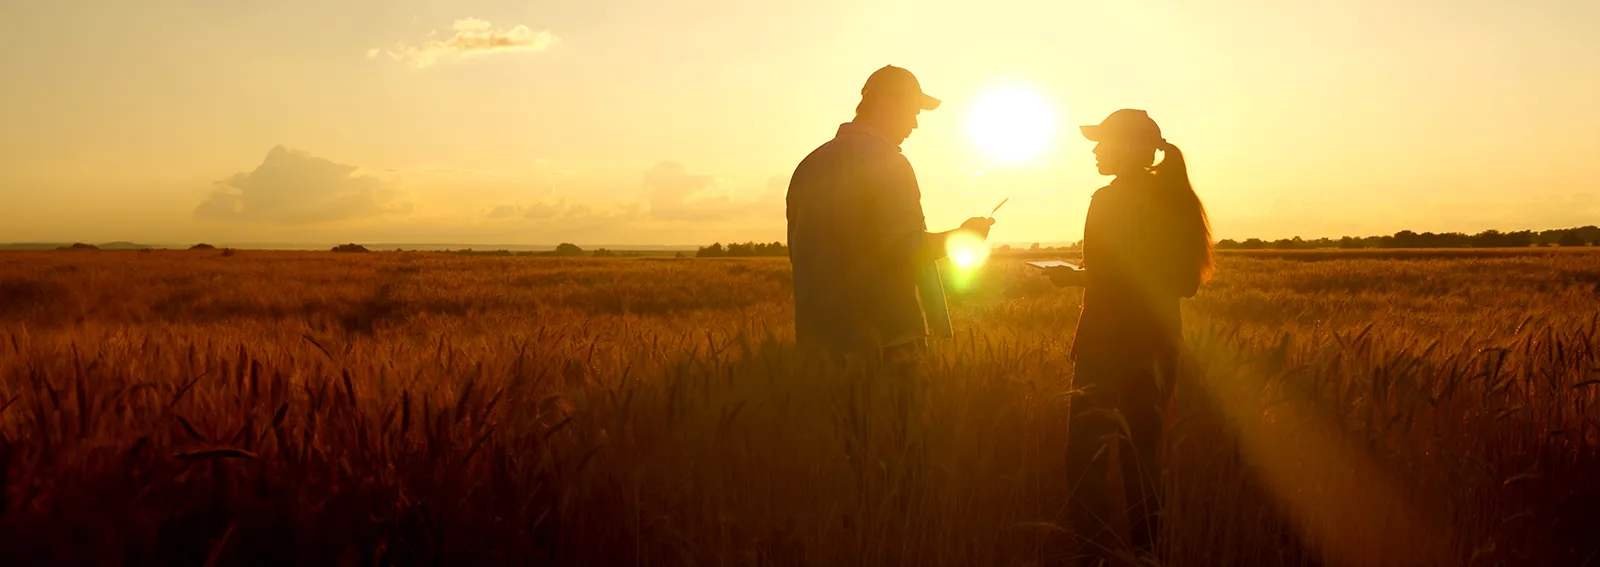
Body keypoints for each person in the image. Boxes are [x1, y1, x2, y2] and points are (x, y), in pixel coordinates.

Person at [1043, 109, 1213, 562]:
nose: (1096, 150)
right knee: (1144, 463)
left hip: (1104, 345)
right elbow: (1184, 284)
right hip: (1158, 346)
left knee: (1085, 463)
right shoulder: (1176, 198)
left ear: (1133, 147)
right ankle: (1146, 555)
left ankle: (1093, 556)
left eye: (1104, 141)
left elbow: (1106, 275)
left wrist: (1073, 279)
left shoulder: (1107, 199)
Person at [786, 65, 995, 361]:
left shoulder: (808, 166)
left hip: (817, 345)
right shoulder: (889, 164)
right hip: (888, 341)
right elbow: (905, 249)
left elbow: (799, 254)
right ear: (887, 103)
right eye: (912, 111)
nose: (915, 125)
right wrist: (964, 237)